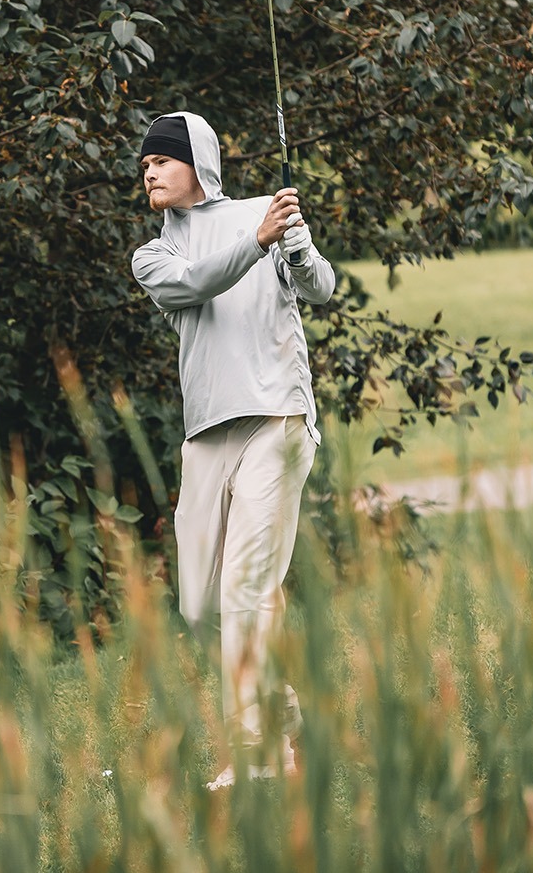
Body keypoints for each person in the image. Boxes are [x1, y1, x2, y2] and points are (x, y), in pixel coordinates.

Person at [130, 111, 335, 790]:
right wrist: (261, 238)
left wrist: (297, 247)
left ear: (197, 162)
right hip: (209, 437)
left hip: (276, 417)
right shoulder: (154, 255)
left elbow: (320, 289)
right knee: (227, 596)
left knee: (245, 588)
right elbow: (199, 283)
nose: (149, 170)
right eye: (145, 165)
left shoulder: (263, 213)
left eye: (162, 159)